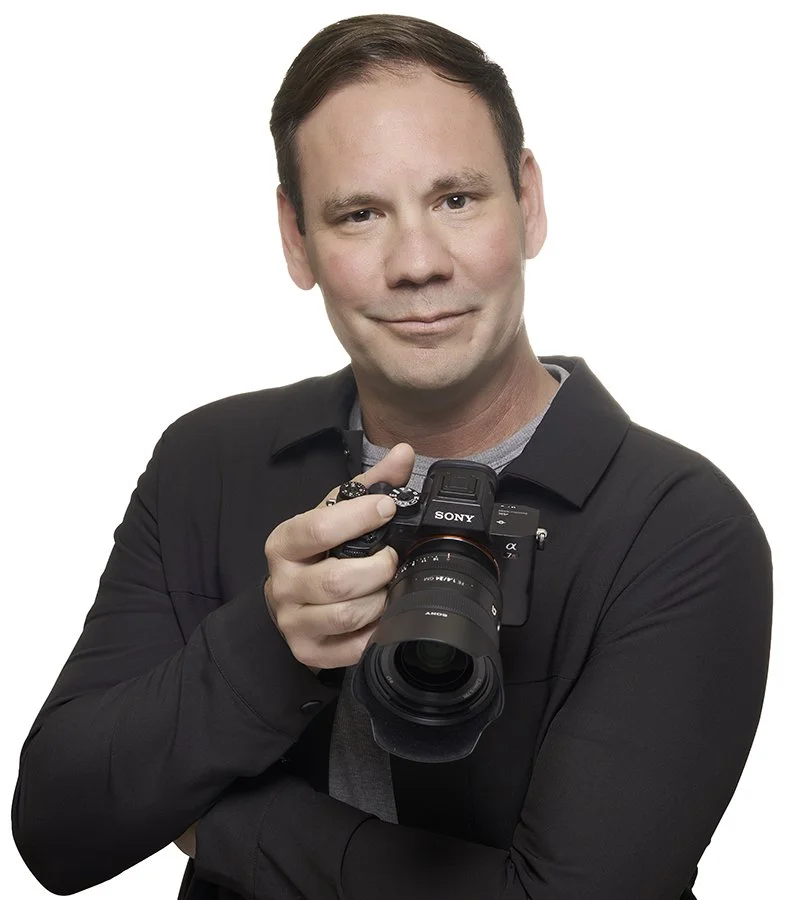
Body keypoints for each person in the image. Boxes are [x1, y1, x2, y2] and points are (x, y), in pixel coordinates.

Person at [12, 13, 772, 900]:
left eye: (457, 199)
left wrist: (222, 822)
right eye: (360, 213)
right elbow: (58, 833)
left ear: (527, 203)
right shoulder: (208, 463)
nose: (417, 262)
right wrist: (272, 641)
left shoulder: (676, 527)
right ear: (297, 239)